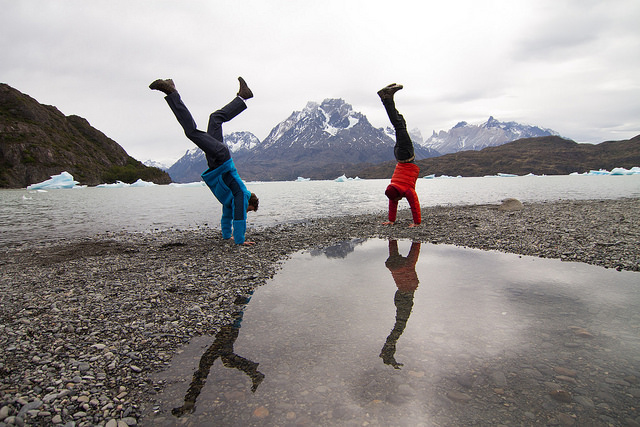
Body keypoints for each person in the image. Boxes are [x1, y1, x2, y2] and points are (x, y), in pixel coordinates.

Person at [150, 77, 259, 245]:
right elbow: (240, 217)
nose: (247, 211)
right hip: (221, 159)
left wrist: (226, 236)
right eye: (249, 209)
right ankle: (172, 93)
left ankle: (242, 97)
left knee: (215, 118)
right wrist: (239, 240)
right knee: (192, 132)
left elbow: (226, 217)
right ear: (249, 202)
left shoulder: (229, 200)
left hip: (217, 161)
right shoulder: (242, 195)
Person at [377, 83, 421, 227]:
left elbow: (414, 204)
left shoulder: (404, 191)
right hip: (399, 155)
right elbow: (392, 204)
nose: (395, 201)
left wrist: (417, 223)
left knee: (399, 125)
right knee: (401, 123)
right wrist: (391, 220)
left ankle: (386, 97)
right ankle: (389, 97)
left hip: (406, 155)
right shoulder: (393, 188)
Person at [380, 240, 421, 369]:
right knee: (400, 324)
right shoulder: (407, 267)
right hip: (401, 287)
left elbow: (415, 253)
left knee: (400, 324)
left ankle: (388, 350)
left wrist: (418, 241)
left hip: (405, 289)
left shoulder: (409, 266)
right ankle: (388, 350)